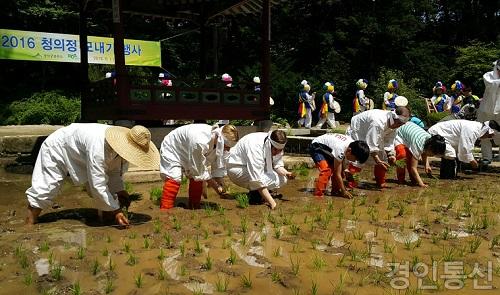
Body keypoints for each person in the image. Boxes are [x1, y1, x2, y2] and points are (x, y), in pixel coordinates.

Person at [26, 124, 160, 226]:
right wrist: (116, 210)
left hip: (82, 150)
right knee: (48, 185)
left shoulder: (121, 150)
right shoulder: (100, 147)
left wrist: (120, 190)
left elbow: (113, 172)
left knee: (109, 192)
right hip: (58, 145)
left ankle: (106, 218)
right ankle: (29, 222)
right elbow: (98, 184)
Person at [159, 124, 239, 209]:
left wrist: (220, 182)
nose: (228, 150)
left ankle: (194, 206)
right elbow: (199, 171)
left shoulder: (217, 142)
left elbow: (217, 163)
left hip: (189, 148)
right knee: (174, 178)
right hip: (173, 147)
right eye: (226, 147)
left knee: (196, 178)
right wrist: (216, 187)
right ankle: (166, 208)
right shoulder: (200, 141)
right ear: (221, 142)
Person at [226, 130, 295, 210]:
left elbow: (277, 165)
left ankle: (258, 193)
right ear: (270, 145)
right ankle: (256, 194)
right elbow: (257, 179)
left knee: (282, 179)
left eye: (280, 150)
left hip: (249, 169)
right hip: (236, 169)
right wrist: (272, 203)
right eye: (275, 150)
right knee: (260, 181)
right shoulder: (255, 147)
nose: (277, 153)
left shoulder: (274, 144)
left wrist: (286, 173)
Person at [346, 107, 411, 188]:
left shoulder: (395, 125)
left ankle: (380, 182)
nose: (399, 126)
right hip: (358, 131)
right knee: (359, 156)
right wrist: (377, 160)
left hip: (373, 132)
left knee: (383, 157)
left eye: (401, 124)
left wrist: (391, 155)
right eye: (398, 123)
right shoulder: (378, 122)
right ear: (394, 118)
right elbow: (371, 144)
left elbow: (389, 140)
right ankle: (351, 184)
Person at [428, 120, 500, 178]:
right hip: (435, 135)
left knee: (453, 153)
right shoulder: (472, 130)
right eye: (489, 136)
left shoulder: (475, 128)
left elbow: (463, 149)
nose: (487, 138)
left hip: (443, 136)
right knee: (450, 153)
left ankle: (450, 175)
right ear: (486, 131)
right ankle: (448, 177)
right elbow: (465, 148)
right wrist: (472, 161)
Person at [309, 133, 370, 198]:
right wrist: (344, 191)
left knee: (341, 172)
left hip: (328, 149)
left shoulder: (352, 145)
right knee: (326, 170)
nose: (354, 161)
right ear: (349, 151)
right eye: (355, 158)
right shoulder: (340, 149)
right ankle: (318, 195)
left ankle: (335, 191)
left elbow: (341, 168)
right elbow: (336, 173)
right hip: (317, 147)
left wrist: (347, 174)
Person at [394, 122, 446, 187]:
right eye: (433, 154)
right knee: (402, 155)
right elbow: (413, 168)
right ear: (430, 148)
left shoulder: (430, 140)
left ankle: (413, 179)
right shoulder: (418, 145)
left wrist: (426, 165)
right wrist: (421, 184)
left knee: (411, 158)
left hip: (409, 132)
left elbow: (424, 152)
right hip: (399, 133)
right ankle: (401, 180)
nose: (433, 156)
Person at [478, 59, 500, 165]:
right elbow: (491, 85)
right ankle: (487, 157)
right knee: (483, 132)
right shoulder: (488, 75)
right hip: (486, 110)